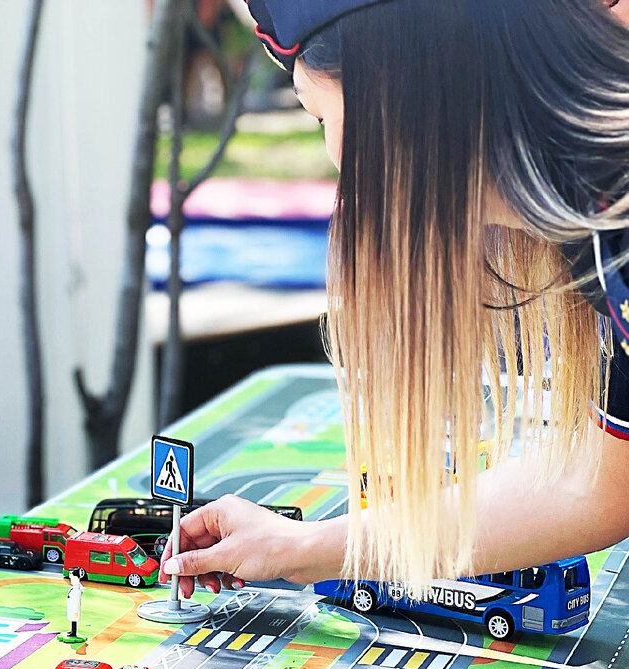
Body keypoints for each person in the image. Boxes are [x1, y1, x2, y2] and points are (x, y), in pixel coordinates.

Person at [162, 0, 629, 596]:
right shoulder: (594, 221)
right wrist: (306, 548)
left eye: (319, 116)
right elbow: (596, 486)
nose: (335, 162)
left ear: (395, 100)